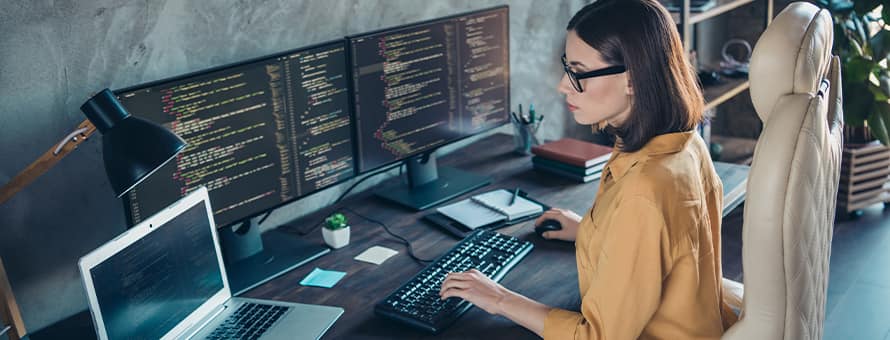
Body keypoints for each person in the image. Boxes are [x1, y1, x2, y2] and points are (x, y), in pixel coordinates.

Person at [439, 0, 736, 338]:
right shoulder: (681, 142)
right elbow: (663, 246)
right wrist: (592, 233)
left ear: (633, 79)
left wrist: (499, 298)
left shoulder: (645, 188)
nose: (563, 85)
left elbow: (596, 336)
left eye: (578, 73)